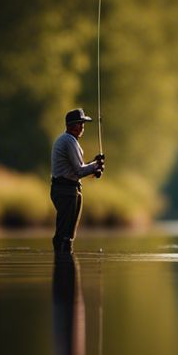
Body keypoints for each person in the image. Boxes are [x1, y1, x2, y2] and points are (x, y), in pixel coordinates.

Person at [50, 108, 104, 254]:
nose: (82, 127)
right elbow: (79, 171)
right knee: (64, 235)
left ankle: (65, 268)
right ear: (70, 125)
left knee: (68, 235)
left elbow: (76, 168)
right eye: (79, 123)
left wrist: (93, 165)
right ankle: (63, 266)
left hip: (69, 189)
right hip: (65, 191)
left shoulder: (68, 140)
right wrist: (95, 166)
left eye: (82, 124)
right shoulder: (69, 141)